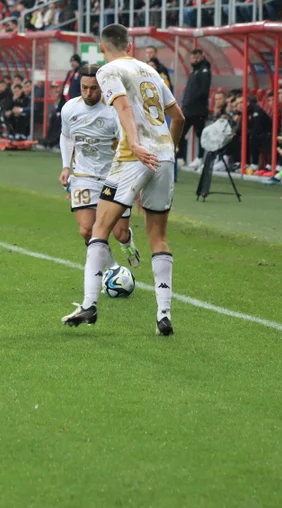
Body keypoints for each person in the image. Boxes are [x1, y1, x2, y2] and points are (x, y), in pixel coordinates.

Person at [64, 24, 184, 335]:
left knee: (99, 229)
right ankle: (163, 315)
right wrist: (170, 148)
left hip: (134, 155)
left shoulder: (108, 71)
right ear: (128, 44)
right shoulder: (150, 70)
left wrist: (136, 144)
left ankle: (90, 305)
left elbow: (124, 107)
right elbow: (179, 117)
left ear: (102, 47)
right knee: (158, 236)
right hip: (165, 157)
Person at [59, 63, 140, 267]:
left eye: (93, 88)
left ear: (102, 87)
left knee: (119, 232)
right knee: (87, 230)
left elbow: (127, 144)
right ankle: (111, 269)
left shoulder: (113, 111)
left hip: (114, 176)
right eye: (84, 87)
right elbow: (66, 137)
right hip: (83, 175)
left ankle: (127, 243)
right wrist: (65, 166)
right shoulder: (69, 109)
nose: (88, 92)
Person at [180, 47, 211, 163]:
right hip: (188, 109)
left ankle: (199, 158)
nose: (195, 59)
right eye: (193, 57)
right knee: (180, 133)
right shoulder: (194, 71)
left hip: (198, 110)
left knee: (200, 134)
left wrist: (190, 102)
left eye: (197, 57)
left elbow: (203, 91)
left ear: (202, 56)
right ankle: (180, 157)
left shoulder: (204, 71)